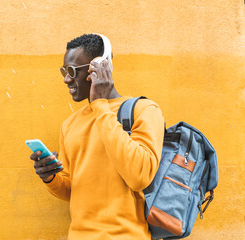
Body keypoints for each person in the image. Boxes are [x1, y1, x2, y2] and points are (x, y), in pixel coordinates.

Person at [29, 33, 164, 239]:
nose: (67, 79)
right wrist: (50, 177)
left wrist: (100, 105)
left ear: (100, 68)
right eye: (64, 71)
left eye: (73, 71)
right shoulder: (70, 125)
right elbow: (72, 191)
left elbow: (139, 177)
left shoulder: (144, 110)